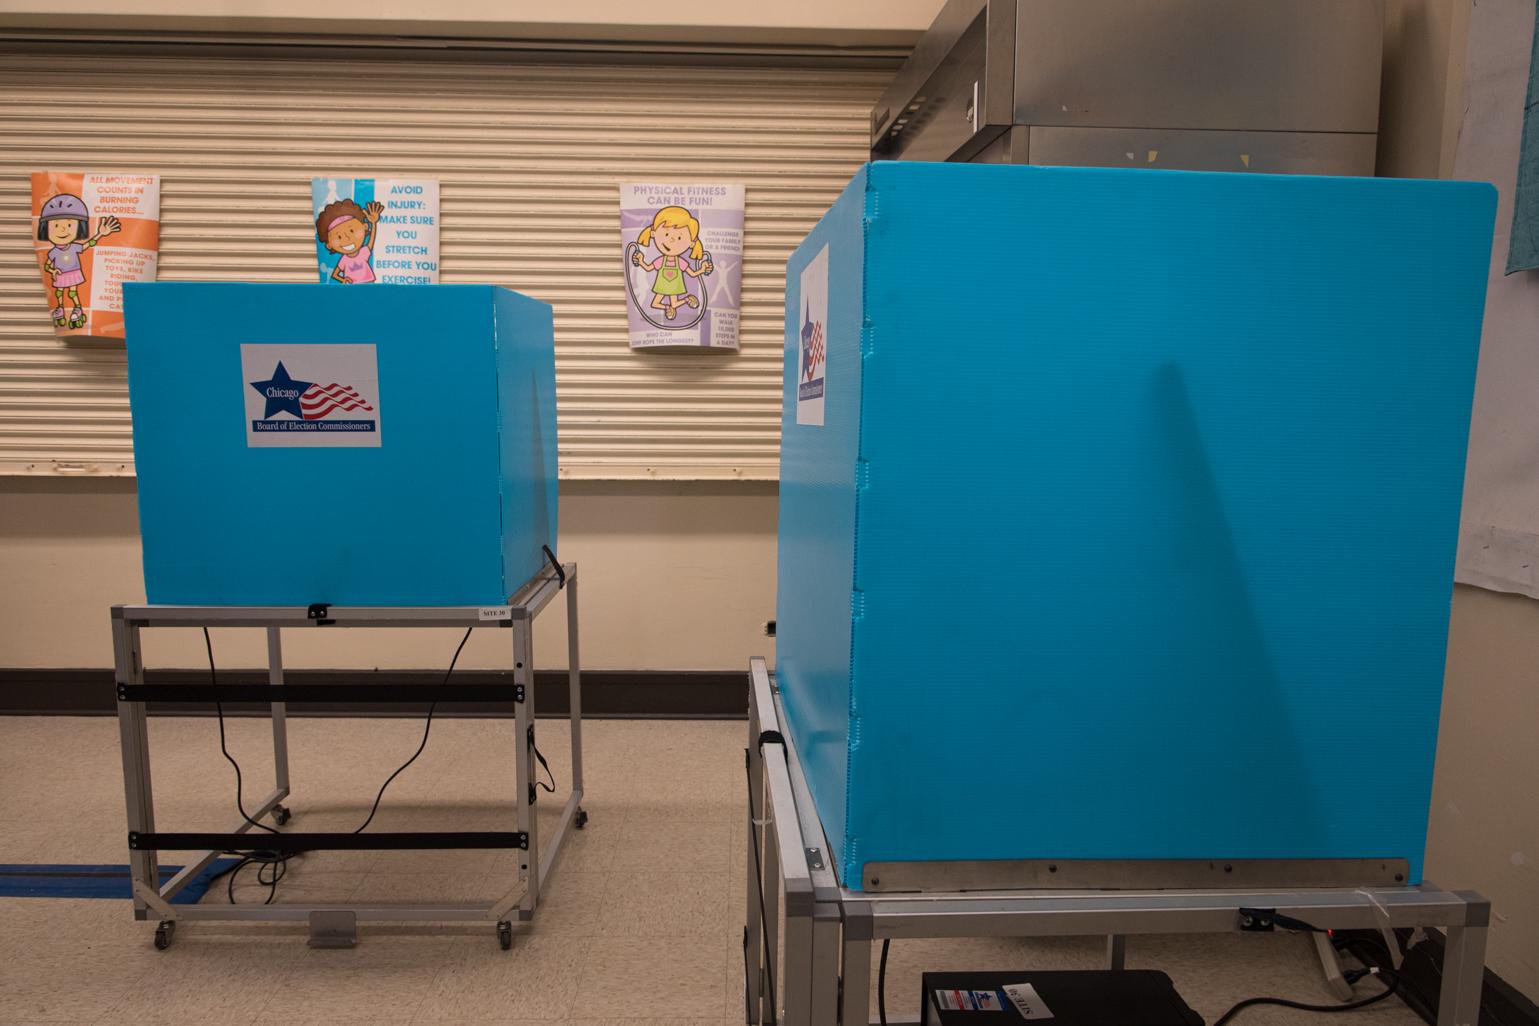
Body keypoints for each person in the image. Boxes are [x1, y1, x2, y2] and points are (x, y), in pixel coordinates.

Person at [38, 194, 120, 328]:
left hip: (73, 272)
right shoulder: (53, 252)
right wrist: (53, 270)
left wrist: (100, 234)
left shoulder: (74, 246)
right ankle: (60, 308)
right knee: (59, 291)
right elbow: (47, 266)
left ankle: (77, 308)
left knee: (72, 291)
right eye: (56, 225)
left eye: (69, 224)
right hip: (60, 274)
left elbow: (88, 245)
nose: (63, 229)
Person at [631, 205, 714, 320]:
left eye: (680, 238)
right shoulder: (661, 260)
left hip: (675, 287)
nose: (672, 240)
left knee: (672, 304)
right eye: (666, 234)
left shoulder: (680, 262)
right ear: (654, 233)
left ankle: (684, 301)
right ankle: (673, 306)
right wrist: (640, 261)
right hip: (662, 287)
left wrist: (703, 269)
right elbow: (649, 268)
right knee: (655, 304)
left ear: (691, 243)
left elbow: (693, 274)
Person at [315, 198, 384, 284]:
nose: (347, 238)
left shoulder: (363, 252)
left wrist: (373, 223)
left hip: (368, 284)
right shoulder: (344, 259)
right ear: (329, 245)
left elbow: (371, 239)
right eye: (339, 237)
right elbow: (335, 275)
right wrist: (343, 280)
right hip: (351, 289)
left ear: (365, 227)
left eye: (352, 231)